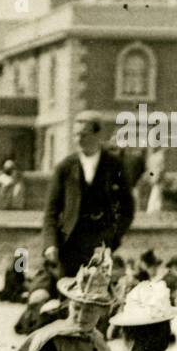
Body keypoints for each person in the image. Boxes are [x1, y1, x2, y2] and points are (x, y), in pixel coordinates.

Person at [42, 112, 134, 277]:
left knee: (96, 296)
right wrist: (50, 244)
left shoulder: (114, 166)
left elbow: (128, 207)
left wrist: (114, 237)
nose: (78, 139)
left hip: (100, 247)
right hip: (68, 246)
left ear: (98, 135)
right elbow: (51, 211)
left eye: (84, 134)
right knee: (52, 296)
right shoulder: (65, 167)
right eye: (76, 135)